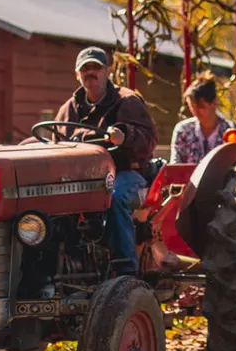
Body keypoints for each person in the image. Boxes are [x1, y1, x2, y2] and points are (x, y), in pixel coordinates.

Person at [53, 46, 158, 275]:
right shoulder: (67, 111)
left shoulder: (127, 101)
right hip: (81, 178)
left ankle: (124, 270)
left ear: (107, 72)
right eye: (85, 69)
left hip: (125, 173)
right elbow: (55, 146)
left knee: (115, 195)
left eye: (96, 68)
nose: (90, 73)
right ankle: (61, 267)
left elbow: (149, 141)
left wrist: (126, 136)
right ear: (77, 74)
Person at [169, 73, 236, 164]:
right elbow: (175, 165)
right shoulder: (183, 130)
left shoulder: (230, 130)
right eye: (192, 107)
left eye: (201, 107)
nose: (196, 111)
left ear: (214, 103)